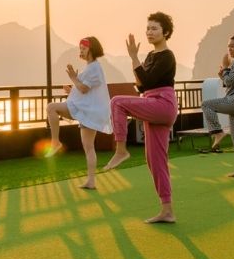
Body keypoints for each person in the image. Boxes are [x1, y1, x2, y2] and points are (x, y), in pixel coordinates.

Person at [103, 12, 179, 223]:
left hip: (162, 104)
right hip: (151, 101)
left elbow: (150, 80)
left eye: (154, 28)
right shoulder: (151, 56)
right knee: (155, 161)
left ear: (165, 32)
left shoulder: (167, 56)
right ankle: (167, 211)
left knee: (117, 102)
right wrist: (135, 59)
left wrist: (134, 58)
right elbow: (142, 84)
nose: (149, 32)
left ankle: (121, 150)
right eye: (148, 28)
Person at [44, 36, 112, 189]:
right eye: (80, 48)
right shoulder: (90, 67)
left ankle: (55, 142)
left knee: (51, 107)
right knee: (89, 148)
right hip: (87, 110)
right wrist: (72, 89)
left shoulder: (94, 68)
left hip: (87, 110)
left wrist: (73, 78)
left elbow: (84, 88)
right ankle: (91, 181)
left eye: (83, 48)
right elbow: (84, 90)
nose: (80, 51)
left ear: (91, 49)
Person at [199, 35, 234, 178]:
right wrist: (224, 73)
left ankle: (217, 132)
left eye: (232, 46)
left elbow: (229, 82)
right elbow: (232, 81)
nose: (229, 49)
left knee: (206, 105)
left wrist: (224, 68)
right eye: (228, 46)